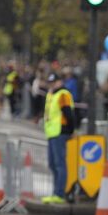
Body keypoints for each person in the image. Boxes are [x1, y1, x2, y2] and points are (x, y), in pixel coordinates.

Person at [42, 73, 75, 203]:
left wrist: (70, 130)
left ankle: (59, 194)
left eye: (54, 82)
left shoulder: (63, 94)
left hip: (60, 132)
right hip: (51, 133)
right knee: (52, 164)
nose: (51, 84)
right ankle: (56, 192)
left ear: (60, 81)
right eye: (50, 82)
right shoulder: (52, 95)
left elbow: (68, 113)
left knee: (60, 164)